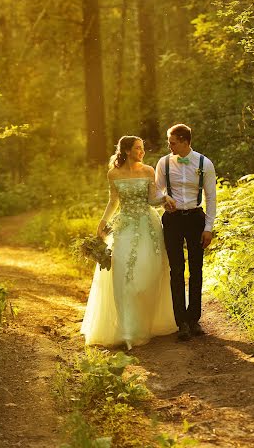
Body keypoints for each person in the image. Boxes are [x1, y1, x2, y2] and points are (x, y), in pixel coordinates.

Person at [81, 136, 177, 349]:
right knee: (123, 273)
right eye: (137, 148)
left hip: (148, 226)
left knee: (149, 273)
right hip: (124, 227)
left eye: (142, 148)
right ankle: (128, 329)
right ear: (125, 150)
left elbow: (152, 199)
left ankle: (147, 322)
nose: (142, 151)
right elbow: (113, 201)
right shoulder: (113, 173)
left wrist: (165, 199)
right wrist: (103, 221)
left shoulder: (148, 171)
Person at [155, 124, 216, 341]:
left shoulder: (204, 163)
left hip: (195, 218)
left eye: (172, 142)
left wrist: (208, 228)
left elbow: (211, 197)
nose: (169, 146)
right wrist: (164, 198)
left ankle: (194, 319)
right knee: (176, 269)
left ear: (184, 141)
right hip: (172, 220)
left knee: (197, 269)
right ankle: (180, 321)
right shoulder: (163, 163)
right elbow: (156, 189)